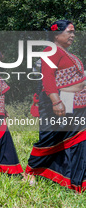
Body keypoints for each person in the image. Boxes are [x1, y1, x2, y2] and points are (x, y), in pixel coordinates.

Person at [25, 20, 86, 192]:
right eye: (69, 32)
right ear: (56, 35)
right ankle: (31, 170)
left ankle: (76, 179)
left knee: (78, 138)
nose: (73, 35)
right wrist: (56, 101)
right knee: (50, 138)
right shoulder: (51, 51)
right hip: (58, 103)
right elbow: (48, 78)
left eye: (74, 32)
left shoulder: (69, 54)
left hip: (76, 104)